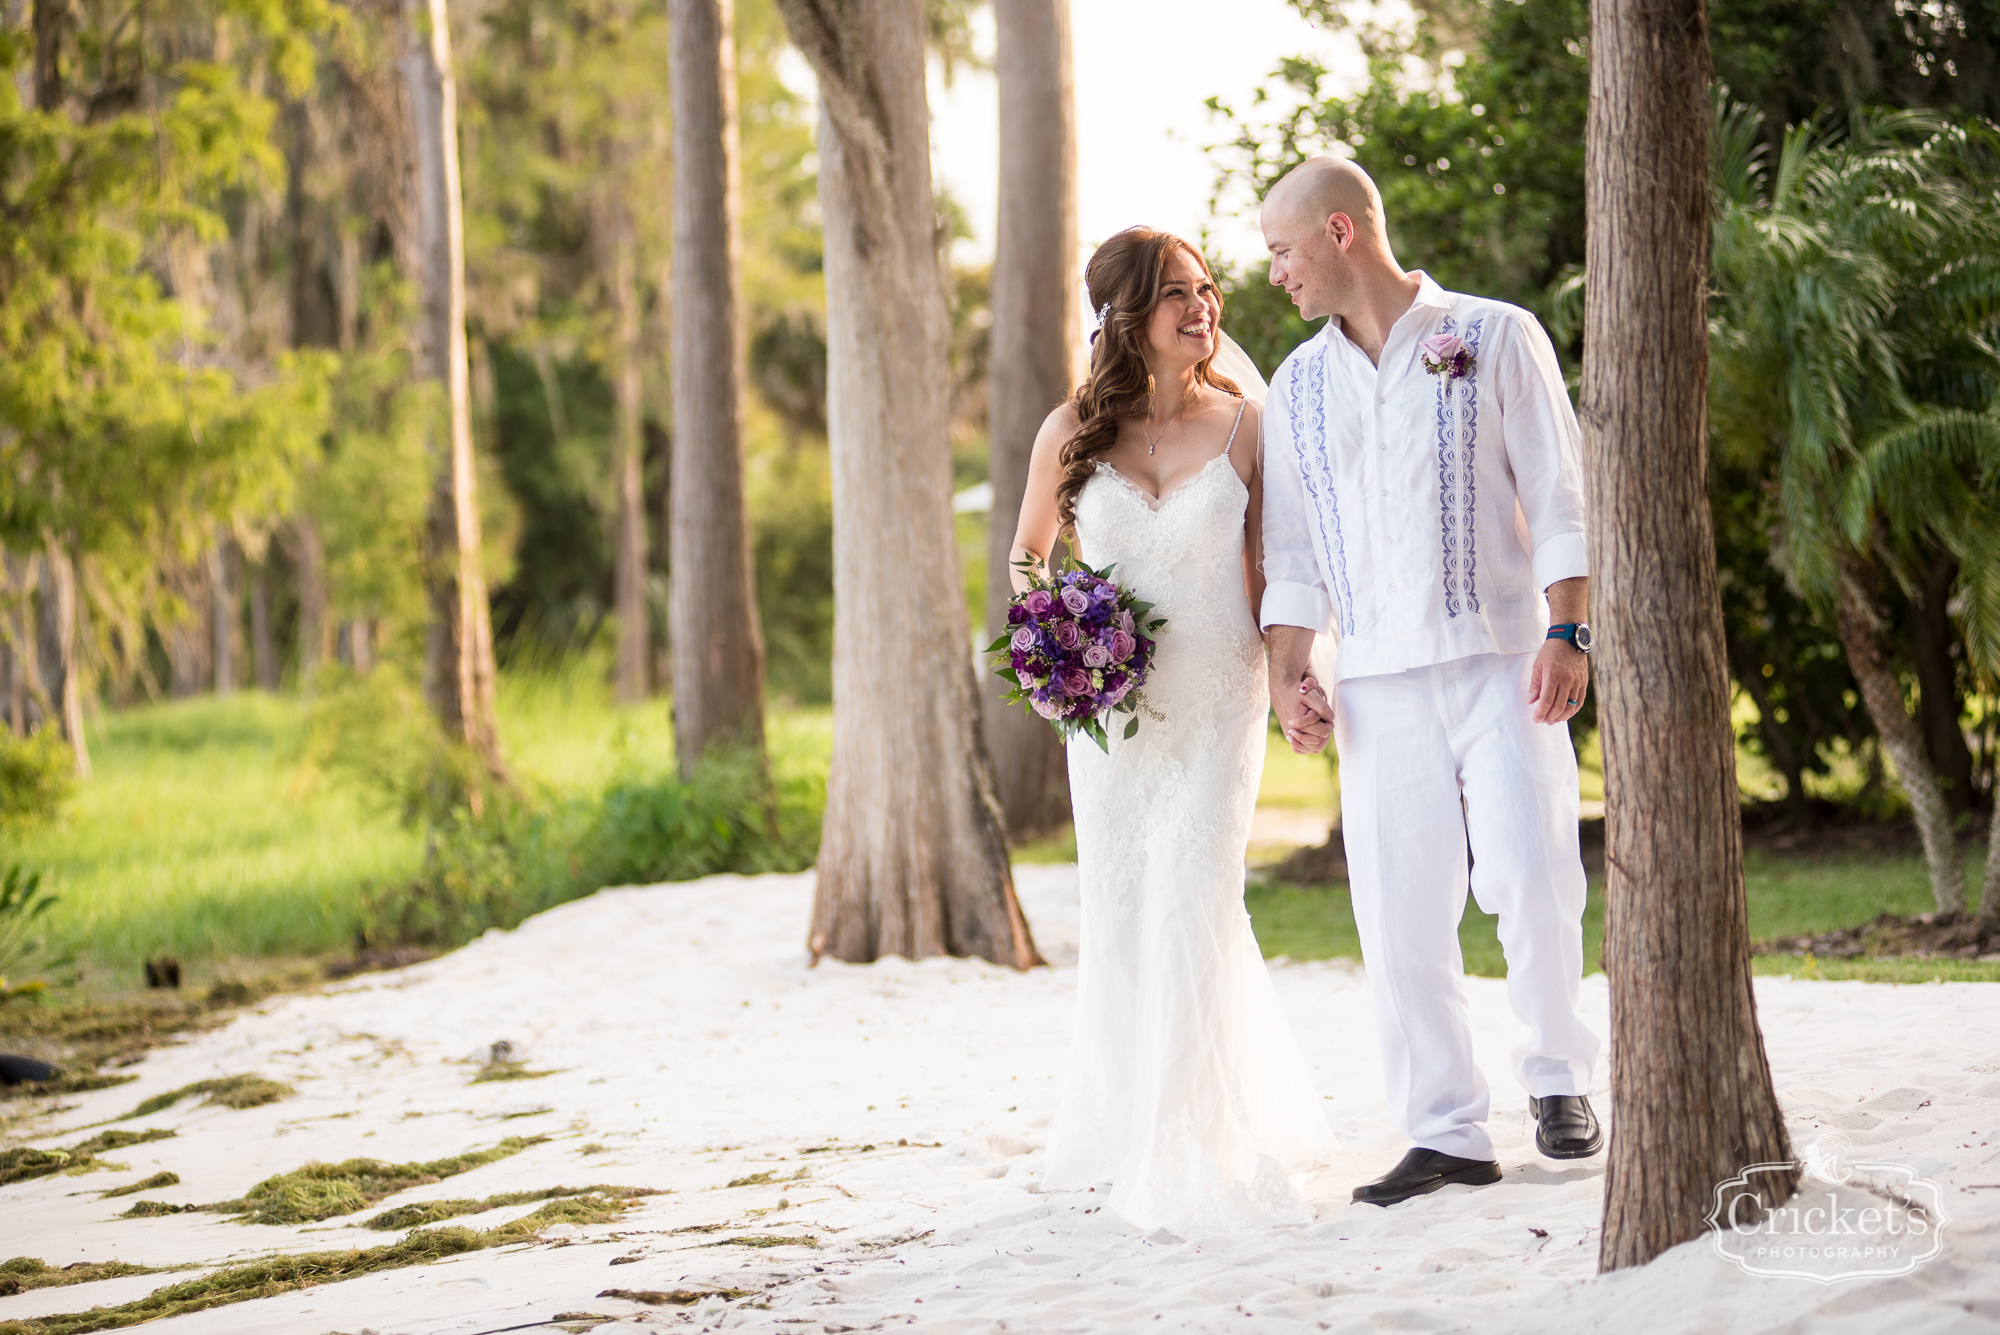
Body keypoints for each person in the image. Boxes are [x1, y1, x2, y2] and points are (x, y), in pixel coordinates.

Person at [1258, 158, 1605, 1208]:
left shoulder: (1495, 335)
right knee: (1396, 914)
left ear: (1337, 233)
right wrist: (1288, 674)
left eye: (1281, 251)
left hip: (1503, 659)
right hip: (1371, 682)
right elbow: (1290, 551)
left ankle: (1555, 1078)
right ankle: (1446, 1131)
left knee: (1532, 876)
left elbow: (1557, 493)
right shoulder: (1294, 385)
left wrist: (1567, 629)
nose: (1275, 274)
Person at [1009, 227, 1335, 1235]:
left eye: (1206, 291)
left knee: (1190, 899)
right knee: (1121, 910)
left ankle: (1188, 1142)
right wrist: (1057, 634)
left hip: (1213, 696)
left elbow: (1276, 563)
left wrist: (1290, 675)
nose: (1201, 310)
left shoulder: (1245, 425)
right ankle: (1120, 1125)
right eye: (1175, 296)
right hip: (1110, 716)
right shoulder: (1069, 432)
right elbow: (1027, 558)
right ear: (1123, 316)